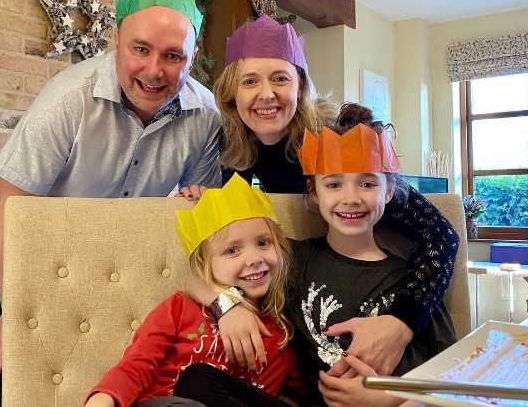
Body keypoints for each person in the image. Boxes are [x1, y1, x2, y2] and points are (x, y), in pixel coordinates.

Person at [0, 0, 221, 404]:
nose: (153, 70)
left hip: (127, 281)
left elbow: (208, 217)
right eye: (140, 49)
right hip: (39, 271)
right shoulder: (67, 99)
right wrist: (14, 315)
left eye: (172, 55)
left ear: (193, 57)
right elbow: (6, 203)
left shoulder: (206, 117)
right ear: (115, 39)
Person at [183, 14, 459, 381]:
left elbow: (440, 234)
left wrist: (402, 322)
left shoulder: (335, 145)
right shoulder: (229, 148)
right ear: (232, 94)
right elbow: (208, 256)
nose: (267, 94)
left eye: (280, 78)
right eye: (250, 81)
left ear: (300, 86)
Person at [181, 103, 457, 407]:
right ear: (313, 192)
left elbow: (455, 378)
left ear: (389, 191)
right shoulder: (293, 259)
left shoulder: (417, 281)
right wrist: (228, 305)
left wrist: (391, 399)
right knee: (197, 380)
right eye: (334, 184)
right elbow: (194, 278)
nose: (350, 198)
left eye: (367, 183)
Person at [84, 174, 304, 407]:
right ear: (205, 263)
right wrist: (102, 400)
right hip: (166, 404)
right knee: (196, 379)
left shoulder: (281, 334)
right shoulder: (179, 309)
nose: (254, 258)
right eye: (232, 251)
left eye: (263, 243)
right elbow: (136, 366)